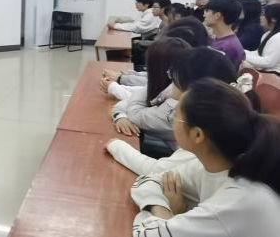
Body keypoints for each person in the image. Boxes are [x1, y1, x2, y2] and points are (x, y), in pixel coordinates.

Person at [130, 79, 280, 236]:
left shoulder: (237, 202)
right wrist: (165, 212)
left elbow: (144, 233)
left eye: (175, 115)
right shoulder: (211, 166)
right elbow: (147, 181)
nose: (173, 121)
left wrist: (169, 217)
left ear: (197, 134)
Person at [106, 73, 258, 176]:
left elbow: (153, 170)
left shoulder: (197, 157)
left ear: (197, 134)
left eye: (177, 115)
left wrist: (115, 145)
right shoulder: (209, 150)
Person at [111, 47, 237, 145]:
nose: (169, 76)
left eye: (173, 76)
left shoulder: (177, 110)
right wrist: (120, 115)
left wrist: (114, 144)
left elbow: (135, 114)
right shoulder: (189, 96)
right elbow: (130, 104)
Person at [204, 0, 245, 68]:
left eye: (207, 11)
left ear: (217, 16)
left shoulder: (228, 47)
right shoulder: (221, 39)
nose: (204, 15)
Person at [243, 3, 280, 74]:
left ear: (274, 19)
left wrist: (242, 55)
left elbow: (268, 62)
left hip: (275, 75)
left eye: (263, 15)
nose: (260, 17)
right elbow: (259, 53)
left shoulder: (278, 37)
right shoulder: (268, 34)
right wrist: (240, 51)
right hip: (266, 72)